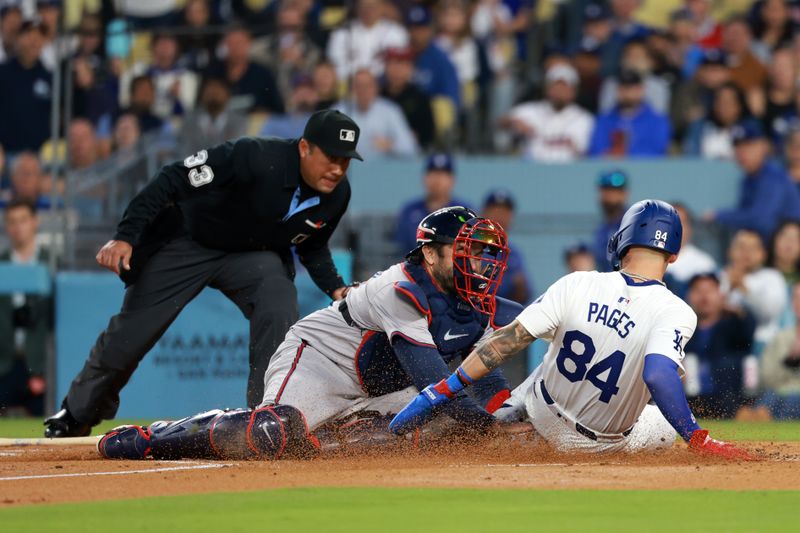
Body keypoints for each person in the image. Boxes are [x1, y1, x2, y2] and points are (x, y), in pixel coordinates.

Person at [96, 207, 524, 460]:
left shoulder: (476, 301)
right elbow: (434, 383)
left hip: (378, 387)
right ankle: (153, 438)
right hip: (322, 362)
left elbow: (481, 375)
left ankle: (337, 436)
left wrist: (509, 414)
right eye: (465, 250)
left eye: (483, 252)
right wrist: (492, 431)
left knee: (442, 430)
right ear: (430, 253)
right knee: (272, 434)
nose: (480, 262)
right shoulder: (402, 288)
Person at [44, 110, 362, 438]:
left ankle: (267, 418)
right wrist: (126, 235)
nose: (337, 168)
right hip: (189, 241)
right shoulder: (253, 155)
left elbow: (312, 245)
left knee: (278, 298)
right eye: (330, 156)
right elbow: (173, 177)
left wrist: (336, 288)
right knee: (132, 333)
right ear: (304, 148)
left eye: (346, 160)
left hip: (252, 256)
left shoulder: (338, 195)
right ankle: (77, 412)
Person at [391, 200, 754, 460]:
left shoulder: (579, 283)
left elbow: (506, 342)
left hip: (539, 404)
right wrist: (696, 438)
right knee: (658, 426)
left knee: (507, 398)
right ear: (672, 255)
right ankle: (508, 433)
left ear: (621, 240)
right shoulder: (677, 311)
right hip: (596, 444)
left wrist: (443, 389)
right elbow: (659, 375)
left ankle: (440, 431)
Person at [705, 120, 800, 244]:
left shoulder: (773, 176)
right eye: (738, 146)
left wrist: (719, 215)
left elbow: (761, 220)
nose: (741, 152)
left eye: (748, 145)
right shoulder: (748, 179)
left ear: (763, 146)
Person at [0, 199, 52, 416]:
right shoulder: (1, 262)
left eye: (23, 220)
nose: (18, 227)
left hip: (41, 362)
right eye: (12, 221)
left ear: (34, 222)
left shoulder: (52, 262)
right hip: (5, 362)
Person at [683, 273, 755, 419]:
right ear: (689, 296)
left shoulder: (733, 324)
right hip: (691, 396)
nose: (704, 297)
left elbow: (749, 334)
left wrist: (739, 311)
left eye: (709, 291)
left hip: (728, 396)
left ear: (721, 296)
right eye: (698, 291)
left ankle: (743, 411)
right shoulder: (682, 326)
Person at [500, 63, 594, 162]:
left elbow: (585, 153)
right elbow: (500, 122)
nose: (560, 91)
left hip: (568, 172)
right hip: (531, 171)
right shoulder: (532, 110)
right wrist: (512, 122)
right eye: (556, 86)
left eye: (564, 86)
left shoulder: (585, 119)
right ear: (547, 88)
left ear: (574, 91)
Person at [719, 229, 788, 351]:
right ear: (730, 251)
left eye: (753, 248)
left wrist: (744, 289)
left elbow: (770, 312)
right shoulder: (720, 276)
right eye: (741, 247)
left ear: (763, 253)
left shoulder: (772, 277)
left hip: (762, 343)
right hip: (724, 341)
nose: (746, 253)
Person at [394, 153, 472, 253]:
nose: (437, 180)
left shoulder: (464, 211)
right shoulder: (409, 210)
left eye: (443, 174)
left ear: (452, 180)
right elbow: (400, 247)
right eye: (433, 173)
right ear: (424, 178)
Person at [334, 69, 418, 159]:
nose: (363, 90)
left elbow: (410, 147)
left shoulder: (390, 111)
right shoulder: (339, 111)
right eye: (358, 86)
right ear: (351, 89)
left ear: (376, 88)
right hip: (348, 168)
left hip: (382, 169)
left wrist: (390, 145)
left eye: (368, 86)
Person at [588, 69, 671, 157]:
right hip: (609, 169)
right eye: (623, 88)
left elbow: (656, 152)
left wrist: (625, 155)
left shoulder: (657, 121)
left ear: (641, 90)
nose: (627, 93)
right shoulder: (604, 120)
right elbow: (595, 151)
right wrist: (610, 155)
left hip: (645, 169)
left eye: (632, 88)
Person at [0, 19, 51, 154]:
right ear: (18, 38)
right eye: (28, 34)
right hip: (6, 156)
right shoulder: (3, 73)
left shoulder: (51, 77)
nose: (34, 41)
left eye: (39, 36)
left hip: (42, 159)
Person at [326, 0, 408, 80]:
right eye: (364, 6)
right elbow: (335, 64)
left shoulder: (396, 32)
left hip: (384, 84)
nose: (368, 10)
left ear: (382, 7)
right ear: (357, 8)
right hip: (350, 84)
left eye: (373, 6)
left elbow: (400, 66)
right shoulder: (342, 33)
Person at [481, 189, 531, 304]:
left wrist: (520, 287)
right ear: (485, 212)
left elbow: (524, 295)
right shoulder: (471, 245)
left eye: (505, 212)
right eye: (495, 210)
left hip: (500, 316)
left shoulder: (513, 253)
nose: (500, 216)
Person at [758, 281, 800, 419]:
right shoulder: (780, 339)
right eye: (797, 298)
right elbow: (767, 379)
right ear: (793, 304)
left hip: (791, 399)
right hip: (779, 394)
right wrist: (790, 360)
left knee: (791, 400)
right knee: (771, 396)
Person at [177, 75, 248, 157]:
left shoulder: (239, 122)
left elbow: (234, 152)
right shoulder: (189, 120)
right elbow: (184, 150)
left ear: (228, 95)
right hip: (194, 167)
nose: (213, 94)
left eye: (217, 92)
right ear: (202, 94)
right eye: (210, 91)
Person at [407, 6, 461, 109]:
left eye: (422, 28)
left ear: (430, 29)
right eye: (414, 28)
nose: (417, 33)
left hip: (430, 116)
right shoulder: (402, 56)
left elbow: (452, 100)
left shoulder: (441, 60)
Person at [382, 47, 435, 150]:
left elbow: (427, 135)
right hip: (377, 153)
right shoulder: (378, 95)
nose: (397, 70)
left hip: (411, 156)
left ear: (410, 68)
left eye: (402, 64)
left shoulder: (420, 99)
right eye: (392, 64)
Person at [666, 203, 716, 289]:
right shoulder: (648, 257)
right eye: (669, 223)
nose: (675, 228)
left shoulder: (704, 264)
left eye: (681, 223)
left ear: (690, 228)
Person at [591, 169, 629, 272]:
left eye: (614, 191)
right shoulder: (601, 229)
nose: (609, 196)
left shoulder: (632, 223)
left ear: (624, 194)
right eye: (605, 190)